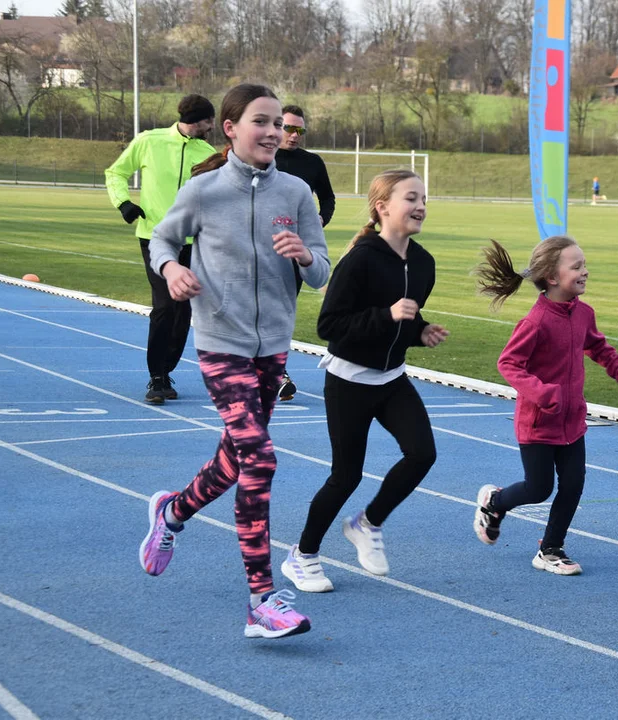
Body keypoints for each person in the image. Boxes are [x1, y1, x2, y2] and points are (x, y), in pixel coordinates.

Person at [137, 84, 331, 638]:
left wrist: (305, 255)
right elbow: (162, 242)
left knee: (234, 460)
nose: (273, 132)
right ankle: (261, 600)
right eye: (261, 122)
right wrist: (173, 271)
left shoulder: (295, 192)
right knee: (260, 459)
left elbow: (322, 271)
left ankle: (172, 513)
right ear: (231, 128)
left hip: (273, 347)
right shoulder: (204, 191)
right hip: (219, 341)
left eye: (278, 124)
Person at [281, 169, 448, 592]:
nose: (421, 205)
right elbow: (329, 325)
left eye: (424, 198)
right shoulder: (360, 259)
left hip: (392, 379)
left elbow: (406, 316)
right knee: (346, 476)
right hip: (349, 380)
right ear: (383, 207)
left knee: (422, 454)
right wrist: (388, 316)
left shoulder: (425, 263)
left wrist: (420, 331)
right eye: (411, 197)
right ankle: (302, 556)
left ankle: (367, 523)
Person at [471, 236, 618, 575]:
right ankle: (494, 503)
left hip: (572, 421)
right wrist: (542, 393)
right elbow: (508, 364)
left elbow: (598, 347)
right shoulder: (535, 322)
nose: (585, 271)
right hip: (538, 423)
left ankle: (551, 549)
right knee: (538, 489)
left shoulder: (583, 314)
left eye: (585, 265)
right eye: (576, 266)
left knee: (573, 484)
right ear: (552, 277)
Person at [105, 94, 216, 404]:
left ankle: (165, 372)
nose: (213, 126)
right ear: (200, 120)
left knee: (183, 312)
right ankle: (156, 377)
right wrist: (123, 202)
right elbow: (115, 172)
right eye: (210, 120)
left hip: (194, 243)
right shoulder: (149, 141)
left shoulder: (208, 153)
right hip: (154, 238)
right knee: (165, 306)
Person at [274, 104, 337, 402]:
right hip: (255, 248)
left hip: (295, 251)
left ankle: (276, 371)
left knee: (282, 312)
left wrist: (321, 219)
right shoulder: (261, 155)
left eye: (300, 130)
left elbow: (327, 197)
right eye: (289, 128)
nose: (295, 135)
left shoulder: (312, 163)